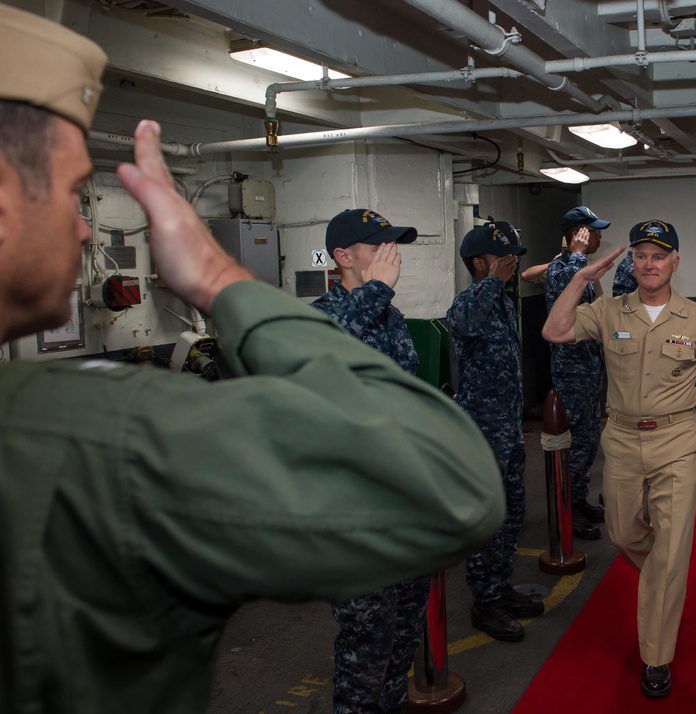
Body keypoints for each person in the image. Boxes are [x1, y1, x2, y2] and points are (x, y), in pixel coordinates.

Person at [0, 6, 505, 713]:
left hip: (381, 527)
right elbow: (440, 483)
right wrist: (217, 278)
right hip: (345, 504)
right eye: (68, 190)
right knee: (362, 664)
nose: (87, 227)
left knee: (395, 654)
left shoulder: (389, 319)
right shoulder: (88, 431)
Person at [542, 218, 696, 699]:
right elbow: (554, 330)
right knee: (623, 532)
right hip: (621, 440)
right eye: (641, 255)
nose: (649, 264)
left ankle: (656, 657)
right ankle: (664, 578)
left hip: (678, 442)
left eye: (659, 255)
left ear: (675, 262)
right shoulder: (609, 311)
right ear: (631, 262)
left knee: (672, 549)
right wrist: (580, 278)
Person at [311, 208, 432, 714]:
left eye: (393, 245)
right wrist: (376, 291)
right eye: (378, 246)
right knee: (367, 640)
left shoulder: (391, 320)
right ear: (343, 257)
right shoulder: (317, 318)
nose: (391, 255)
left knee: (405, 626)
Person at [447, 222, 545, 643]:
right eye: (501, 260)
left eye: (513, 260)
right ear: (478, 263)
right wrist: (494, 283)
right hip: (482, 429)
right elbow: (464, 324)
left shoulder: (502, 303)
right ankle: (484, 602)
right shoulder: (469, 301)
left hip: (507, 427)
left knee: (511, 514)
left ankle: (499, 586)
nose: (510, 266)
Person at [544, 205, 611, 540]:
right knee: (573, 446)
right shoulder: (562, 269)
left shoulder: (583, 270)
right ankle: (566, 510)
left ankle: (579, 499)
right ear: (578, 235)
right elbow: (562, 297)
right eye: (593, 231)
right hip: (571, 374)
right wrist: (577, 255)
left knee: (587, 443)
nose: (599, 235)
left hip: (588, 371)